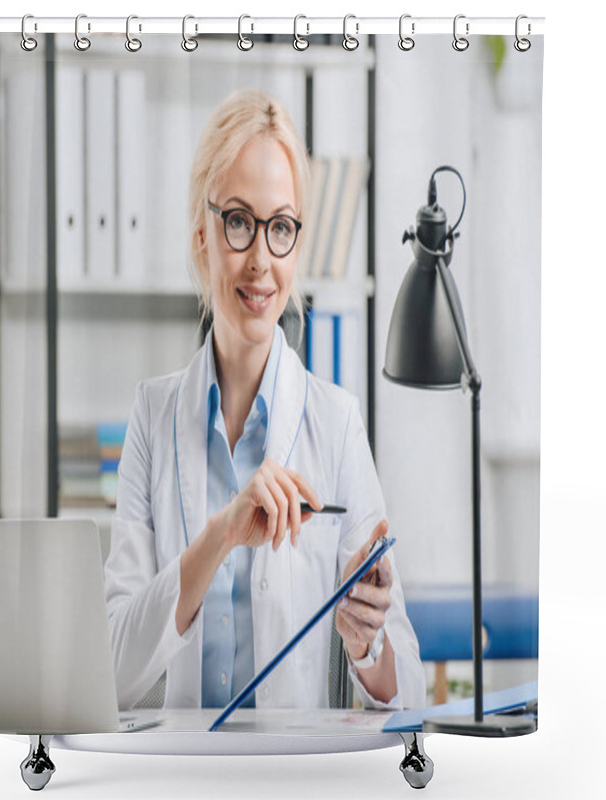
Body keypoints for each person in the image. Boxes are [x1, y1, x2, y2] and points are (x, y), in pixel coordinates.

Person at [104, 89, 424, 712]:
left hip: (289, 775)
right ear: (203, 235)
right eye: (239, 222)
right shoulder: (153, 416)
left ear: (296, 244)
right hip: (181, 778)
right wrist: (221, 534)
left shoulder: (336, 423)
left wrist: (367, 644)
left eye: (279, 228)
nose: (260, 261)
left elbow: (403, 682)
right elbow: (114, 670)